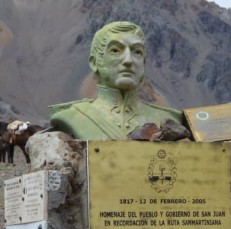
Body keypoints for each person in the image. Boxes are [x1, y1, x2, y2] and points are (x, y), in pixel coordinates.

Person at [49, 21, 185, 140]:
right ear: (95, 63)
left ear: (143, 64)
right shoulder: (71, 117)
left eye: (137, 52)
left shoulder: (169, 120)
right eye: (115, 50)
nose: (128, 60)